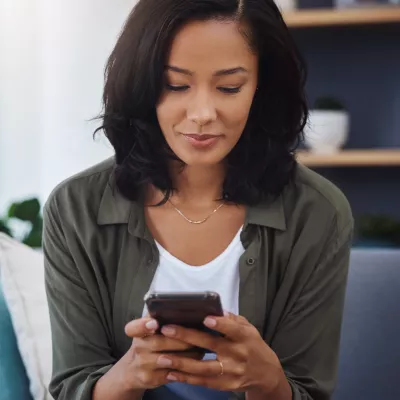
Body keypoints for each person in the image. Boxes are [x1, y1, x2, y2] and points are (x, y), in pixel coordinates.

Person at [43, 0, 354, 399]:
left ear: (262, 86)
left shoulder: (318, 213)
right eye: (175, 85)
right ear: (141, 84)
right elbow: (71, 386)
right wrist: (130, 374)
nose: (203, 112)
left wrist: (269, 381)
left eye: (229, 87)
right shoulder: (74, 210)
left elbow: (308, 391)